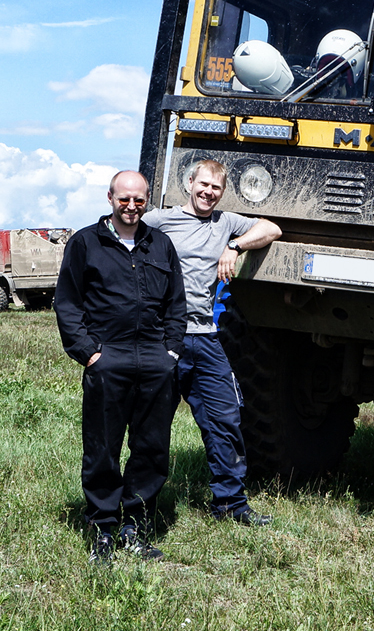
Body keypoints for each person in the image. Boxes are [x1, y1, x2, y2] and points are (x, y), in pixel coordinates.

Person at [55, 170, 186, 564]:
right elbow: (67, 303)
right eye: (124, 199)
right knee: (102, 448)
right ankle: (103, 530)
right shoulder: (85, 243)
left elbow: (176, 304)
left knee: (151, 448)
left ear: (148, 201)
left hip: (154, 361)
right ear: (109, 198)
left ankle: (135, 527)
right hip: (107, 358)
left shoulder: (160, 244)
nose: (131, 207)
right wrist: (90, 353)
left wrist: (171, 353)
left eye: (139, 200)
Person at [143, 159, 282, 526]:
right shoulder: (162, 220)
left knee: (226, 419)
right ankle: (142, 507)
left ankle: (231, 505)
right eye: (203, 185)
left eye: (216, 188)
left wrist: (234, 247)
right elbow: (122, 235)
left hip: (205, 338)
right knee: (152, 424)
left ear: (223, 193)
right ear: (189, 183)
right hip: (164, 338)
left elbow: (272, 228)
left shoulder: (226, 223)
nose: (208, 193)